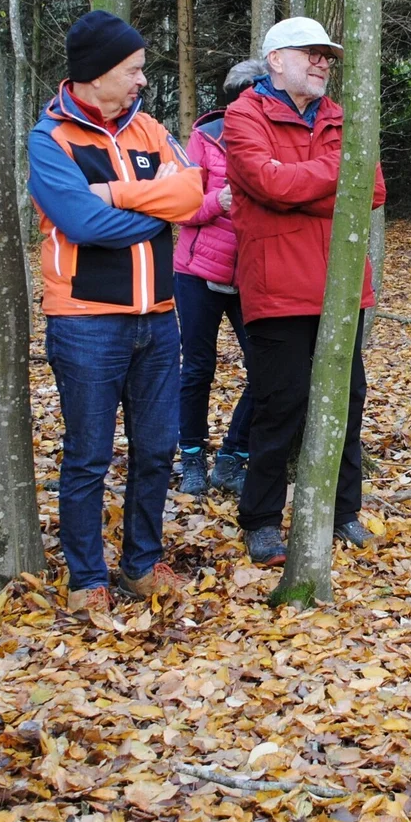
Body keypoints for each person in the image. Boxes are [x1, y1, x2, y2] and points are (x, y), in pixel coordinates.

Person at [28, 11, 204, 613]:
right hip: (85, 322)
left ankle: (141, 564)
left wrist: (117, 194)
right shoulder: (50, 139)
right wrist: (155, 215)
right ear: (97, 73)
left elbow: (192, 193)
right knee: (89, 457)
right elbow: (82, 223)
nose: (141, 81)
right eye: (132, 70)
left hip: (158, 319)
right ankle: (86, 579)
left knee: (157, 449)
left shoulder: (149, 128)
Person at [223, 16, 387, 566]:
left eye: (326, 56)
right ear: (275, 60)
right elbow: (267, 183)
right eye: (310, 53)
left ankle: (343, 511)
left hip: (341, 286)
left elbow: (373, 189)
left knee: (348, 401)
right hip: (277, 287)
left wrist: (300, 185)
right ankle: (261, 520)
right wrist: (337, 175)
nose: (322, 63)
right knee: (281, 405)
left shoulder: (342, 117)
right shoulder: (244, 115)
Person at [173, 59, 261, 497]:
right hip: (197, 273)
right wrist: (217, 201)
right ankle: (191, 457)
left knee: (266, 369)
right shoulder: (205, 138)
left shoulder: (275, 141)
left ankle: (232, 457)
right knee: (198, 368)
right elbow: (180, 207)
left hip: (253, 275)